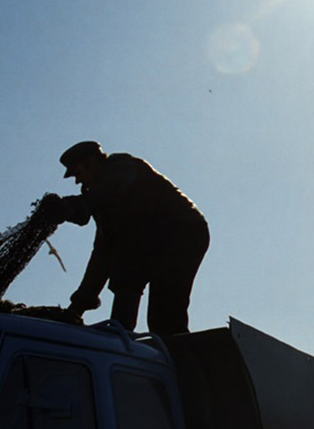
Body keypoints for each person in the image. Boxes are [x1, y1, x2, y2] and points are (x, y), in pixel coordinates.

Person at [41, 141, 209, 336]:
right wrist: (79, 305)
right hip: (151, 240)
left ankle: (127, 333)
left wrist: (74, 205)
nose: (78, 182)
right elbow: (102, 255)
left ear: (91, 162)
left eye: (78, 174)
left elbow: (112, 188)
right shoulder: (103, 205)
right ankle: (120, 332)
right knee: (128, 271)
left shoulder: (123, 167)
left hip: (184, 233)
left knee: (164, 315)